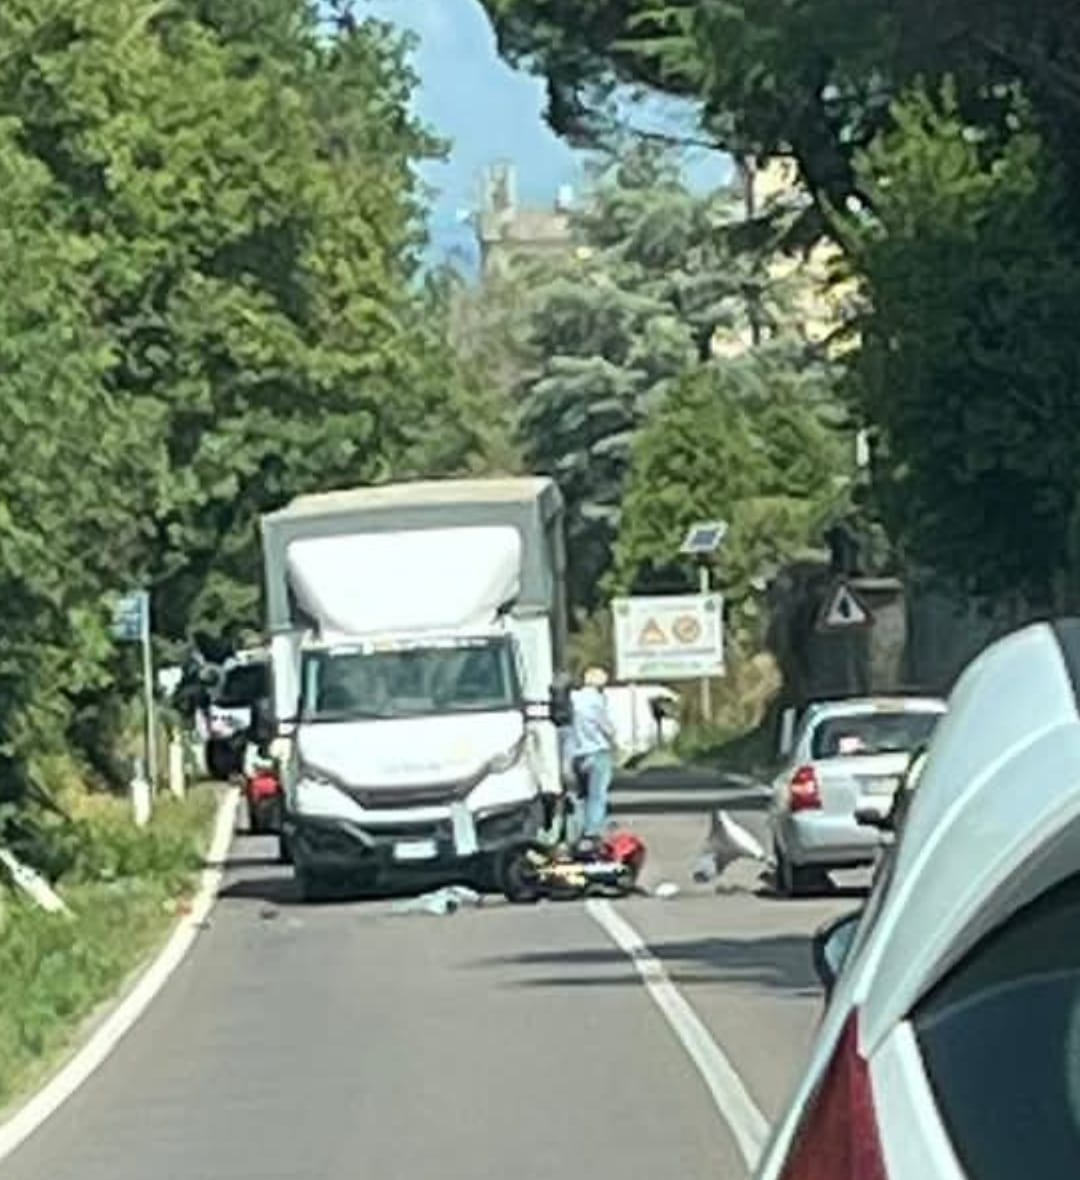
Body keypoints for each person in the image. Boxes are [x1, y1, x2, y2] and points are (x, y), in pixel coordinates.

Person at [570, 666, 617, 847]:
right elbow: (606, 727)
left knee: (580, 796)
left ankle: (576, 831)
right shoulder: (597, 700)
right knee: (597, 795)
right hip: (597, 752)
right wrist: (614, 739)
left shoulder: (573, 699)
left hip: (577, 754)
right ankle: (591, 834)